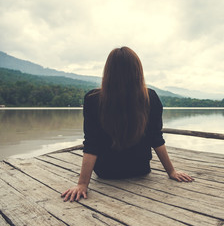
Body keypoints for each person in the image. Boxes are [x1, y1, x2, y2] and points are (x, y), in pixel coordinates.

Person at [61, 47, 194, 202]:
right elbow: (156, 138)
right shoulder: (150, 97)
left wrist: (82, 184)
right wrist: (171, 171)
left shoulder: (92, 99)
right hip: (140, 169)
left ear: (108, 71)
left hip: (106, 172)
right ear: (138, 71)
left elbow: (92, 144)